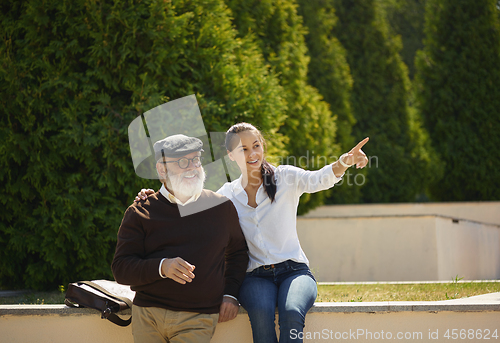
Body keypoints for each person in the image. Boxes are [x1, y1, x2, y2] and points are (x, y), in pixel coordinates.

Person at [136, 124, 369, 343]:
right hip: (255, 276)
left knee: (291, 312)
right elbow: (190, 206)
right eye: (243, 149)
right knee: (261, 317)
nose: (252, 153)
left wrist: (344, 161)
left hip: (294, 271)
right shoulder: (226, 195)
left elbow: (320, 178)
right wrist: (154, 195)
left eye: (256, 145)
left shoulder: (285, 178)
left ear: (263, 147)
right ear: (231, 155)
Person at [113, 134, 248, 343]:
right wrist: (162, 267)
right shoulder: (140, 211)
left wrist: (230, 294)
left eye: (196, 160)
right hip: (147, 315)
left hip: (198, 316)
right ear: (162, 169)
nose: (192, 167)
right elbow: (121, 269)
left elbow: (238, 253)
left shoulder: (221, 207)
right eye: (183, 162)